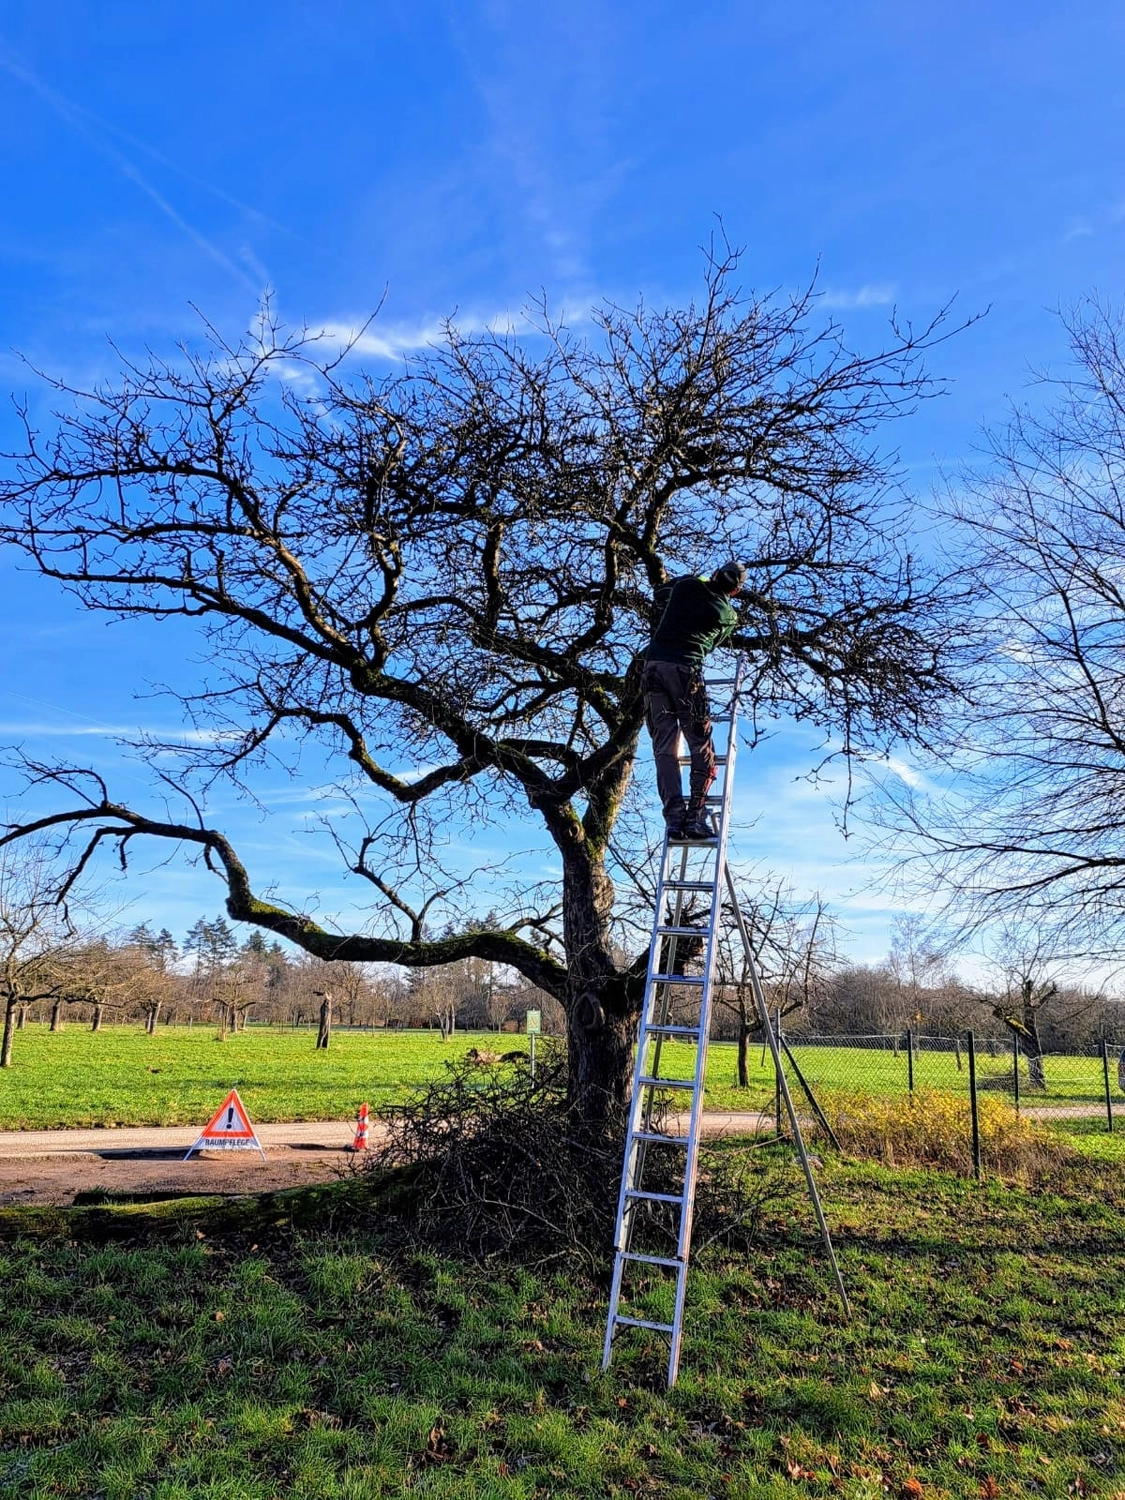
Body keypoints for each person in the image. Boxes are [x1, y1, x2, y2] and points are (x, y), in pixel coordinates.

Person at [642, 561, 746, 840]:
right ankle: (695, 817)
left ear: (713, 574)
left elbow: (662, 592)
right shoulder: (727, 615)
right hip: (686, 672)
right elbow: (712, 643)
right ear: (735, 591)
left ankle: (674, 819)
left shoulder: (686, 585)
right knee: (701, 745)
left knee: (664, 747)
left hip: (652, 669)